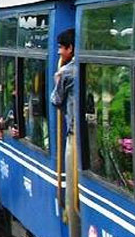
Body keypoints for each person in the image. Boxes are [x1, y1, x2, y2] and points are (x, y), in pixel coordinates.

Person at [48, 29, 80, 237]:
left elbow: (56, 100)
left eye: (61, 47)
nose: (59, 52)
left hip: (74, 136)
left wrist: (55, 80)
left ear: (70, 48)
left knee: (72, 192)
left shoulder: (67, 72)